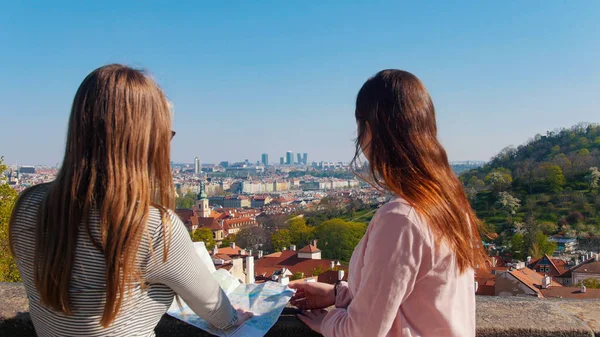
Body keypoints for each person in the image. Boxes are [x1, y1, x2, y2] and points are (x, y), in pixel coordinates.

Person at [9, 64, 252, 336]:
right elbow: (216, 311)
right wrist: (234, 317)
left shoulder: (28, 206)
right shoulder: (152, 227)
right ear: (145, 140)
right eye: (165, 135)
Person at [290, 69, 487, 337]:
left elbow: (363, 333)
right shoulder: (447, 201)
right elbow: (415, 298)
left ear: (369, 131)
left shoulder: (401, 218)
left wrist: (327, 322)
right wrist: (339, 295)